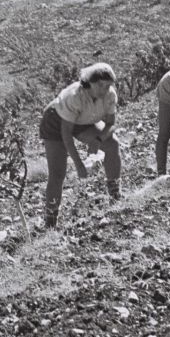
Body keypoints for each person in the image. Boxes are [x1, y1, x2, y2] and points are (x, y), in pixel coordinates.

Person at [39, 63, 121, 228]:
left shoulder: (109, 95)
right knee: (57, 173)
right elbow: (66, 134)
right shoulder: (75, 96)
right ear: (89, 82)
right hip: (56, 123)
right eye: (100, 85)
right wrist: (79, 164)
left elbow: (111, 123)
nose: (104, 89)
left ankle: (115, 195)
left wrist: (97, 141)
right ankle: (50, 221)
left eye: (108, 85)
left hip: (83, 120)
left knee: (112, 144)